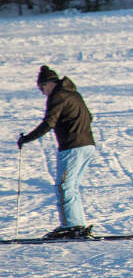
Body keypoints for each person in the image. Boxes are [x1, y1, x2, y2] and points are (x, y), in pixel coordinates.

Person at [17, 66, 97, 239]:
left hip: (72, 147)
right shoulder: (73, 94)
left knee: (64, 186)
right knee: (71, 186)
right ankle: (77, 224)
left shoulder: (58, 96)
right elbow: (89, 116)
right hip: (87, 146)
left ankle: (71, 226)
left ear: (49, 84)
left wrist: (27, 139)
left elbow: (49, 122)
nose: (42, 92)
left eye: (41, 88)